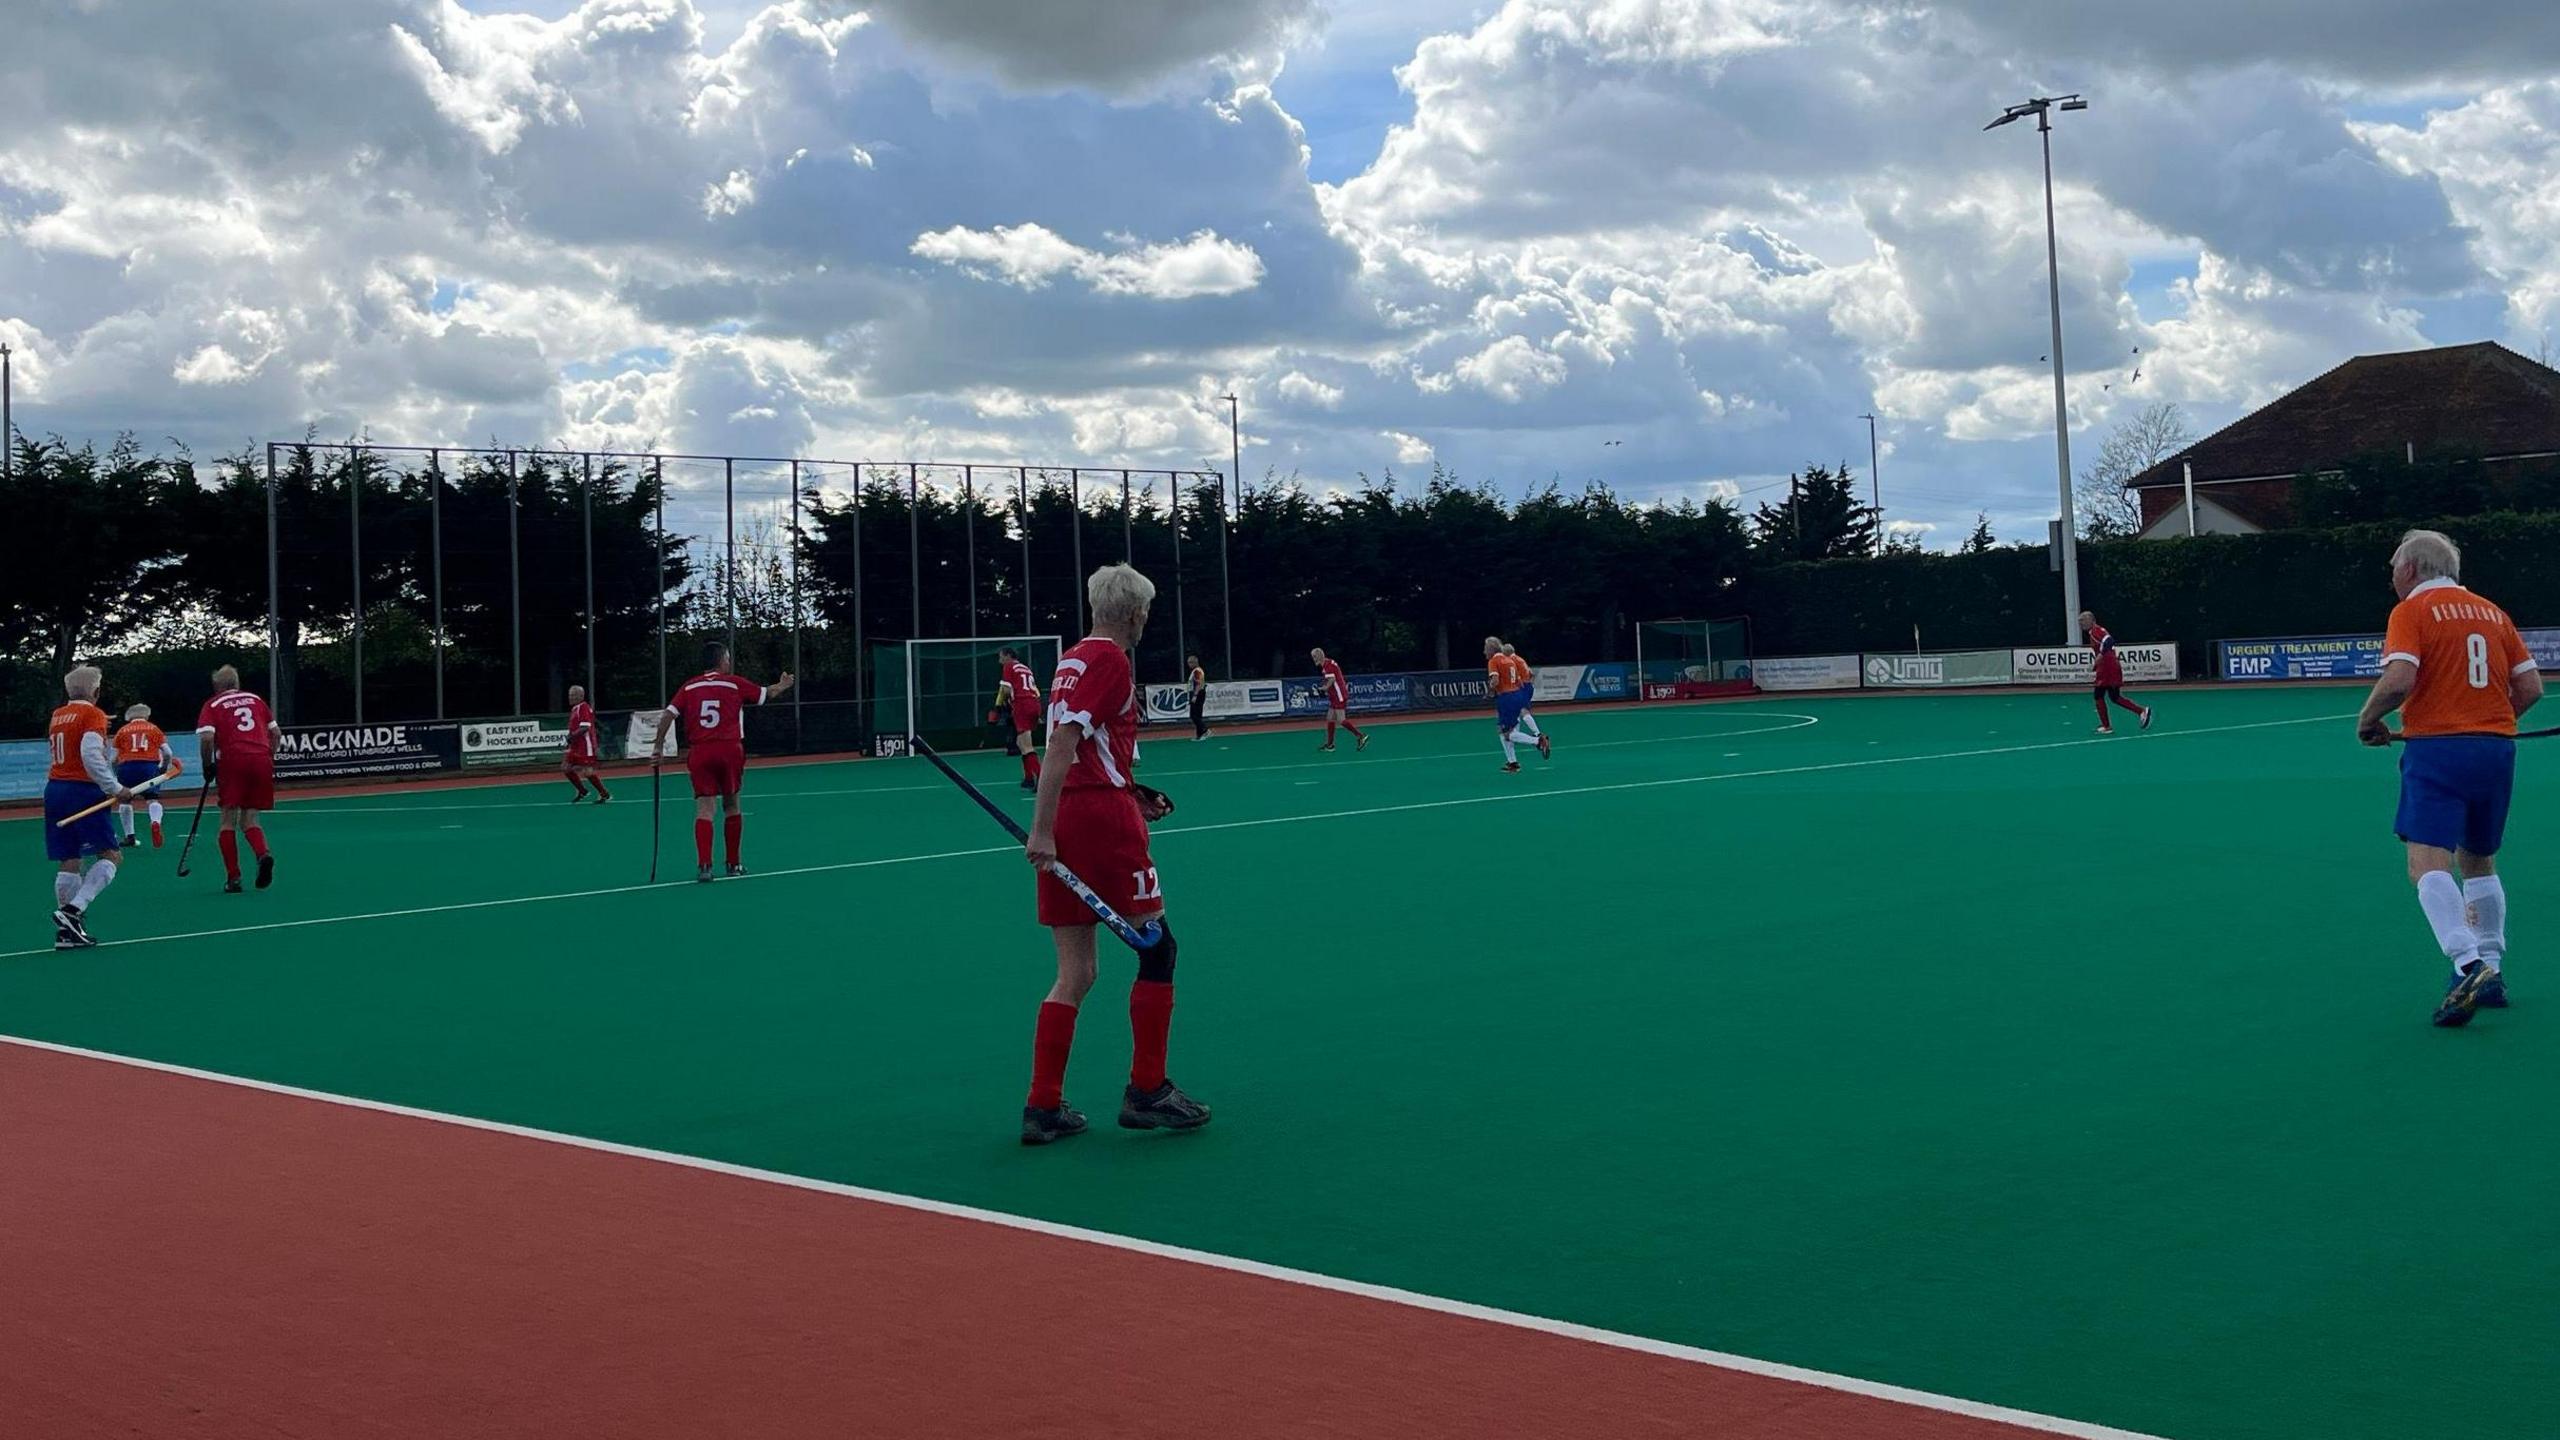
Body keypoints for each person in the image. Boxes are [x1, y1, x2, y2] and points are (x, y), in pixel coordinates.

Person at [1020, 563, 1210, 1145]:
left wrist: (1128, 789)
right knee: (1159, 948)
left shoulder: (1073, 658)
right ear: (1135, 613)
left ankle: (1043, 1106)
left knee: (1076, 972)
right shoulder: (1110, 660)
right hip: (1100, 824)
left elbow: (1083, 748)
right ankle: (1147, 1089)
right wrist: (1042, 829)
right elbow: (1062, 745)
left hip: (1088, 809)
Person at [2355, 529, 2543, 1027]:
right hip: (2497, 750)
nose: (2393, 576)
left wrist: (2368, 720)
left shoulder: (2411, 611)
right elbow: (2531, 687)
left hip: (2437, 751)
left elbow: (2399, 679)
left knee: (2426, 863)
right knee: (2479, 859)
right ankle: (2494, 971)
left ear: (2411, 569)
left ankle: (2466, 964)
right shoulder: (2494, 612)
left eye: (2394, 566)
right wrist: (2489, 723)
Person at [652, 642, 794, 882]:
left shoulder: (689, 686)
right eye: (727, 658)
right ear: (721, 660)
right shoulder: (733, 683)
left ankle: (705, 866)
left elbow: (669, 714)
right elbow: (766, 693)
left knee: (705, 809)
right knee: (732, 805)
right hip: (729, 749)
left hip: (700, 752)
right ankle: (733, 863)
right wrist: (783, 684)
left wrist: (657, 746)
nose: (729, 662)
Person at [45, 667, 141, 949]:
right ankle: (73, 911)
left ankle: (67, 933)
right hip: (83, 791)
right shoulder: (92, 714)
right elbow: (89, 754)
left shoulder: (58, 715)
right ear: (96, 691)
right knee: (112, 856)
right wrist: (115, 788)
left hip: (56, 789)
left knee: (70, 859)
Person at [195, 664, 281, 894]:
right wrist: (268, 756)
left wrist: (207, 766)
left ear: (217, 686)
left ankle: (234, 877)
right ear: (237, 683)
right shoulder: (256, 699)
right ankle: (263, 854)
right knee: (251, 817)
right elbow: (276, 733)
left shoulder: (212, 704)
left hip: (233, 760)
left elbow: (206, 739)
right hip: (261, 759)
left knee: (227, 819)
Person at [111, 703, 182, 848]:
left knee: (125, 801)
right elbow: (167, 752)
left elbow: (113, 758)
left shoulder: (122, 731)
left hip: (126, 767)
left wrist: (116, 773)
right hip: (149, 767)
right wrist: (163, 767)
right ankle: (155, 821)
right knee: (152, 799)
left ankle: (129, 837)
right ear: (147, 715)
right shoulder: (154, 729)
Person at [2080, 611, 2153, 734]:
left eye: (2083, 620)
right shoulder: (2093, 632)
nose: (2081, 623)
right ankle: (2141, 711)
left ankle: (2107, 726)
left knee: (2099, 695)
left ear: (2091, 620)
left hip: (2108, 668)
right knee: (2114, 697)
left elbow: (2109, 640)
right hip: (2108, 667)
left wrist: (2101, 655)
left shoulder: (2096, 631)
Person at [1485, 637, 1549, 771]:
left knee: (1507, 733)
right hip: (1517, 695)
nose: (1484, 652)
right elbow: (1520, 682)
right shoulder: (1510, 660)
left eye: (1486, 648)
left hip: (1506, 698)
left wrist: (1490, 689)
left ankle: (1538, 741)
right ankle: (1512, 763)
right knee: (1506, 730)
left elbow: (1495, 681)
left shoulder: (1494, 661)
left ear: (1491, 649)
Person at [998, 646, 1043, 792]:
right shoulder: (1025, 668)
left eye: (1001, 657)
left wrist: (1001, 704)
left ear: (1008, 656)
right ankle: (1028, 778)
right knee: (1020, 741)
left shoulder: (1009, 666)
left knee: (1026, 744)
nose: (1000, 660)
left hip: (1022, 704)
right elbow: (1035, 690)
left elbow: (1005, 689)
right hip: (1034, 704)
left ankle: (1041, 778)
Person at [1310, 646, 1369, 752]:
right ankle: (1330, 745)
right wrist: (1323, 689)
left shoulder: (1328, 665)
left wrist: (1324, 688)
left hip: (1339, 695)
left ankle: (1361, 736)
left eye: (1314, 657)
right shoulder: (1327, 665)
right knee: (1330, 718)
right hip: (1334, 696)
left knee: (1341, 719)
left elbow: (1332, 680)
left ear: (1319, 656)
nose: (1313, 659)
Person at [1501, 641, 1549, 759]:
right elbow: (1531, 673)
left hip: (1520, 688)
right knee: (1520, 713)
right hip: (1528, 687)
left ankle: (1538, 737)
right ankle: (1513, 759)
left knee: (1521, 713)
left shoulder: (1510, 662)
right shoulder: (1520, 659)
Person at [563, 685, 610, 803]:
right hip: (575, 745)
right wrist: (569, 741)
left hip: (585, 745)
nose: (570, 697)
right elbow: (574, 727)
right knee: (566, 768)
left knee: (587, 772)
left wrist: (571, 736)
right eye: (569, 695)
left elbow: (585, 727)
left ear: (581, 696)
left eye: (573, 695)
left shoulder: (583, 707)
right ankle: (582, 791)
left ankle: (604, 794)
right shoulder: (575, 709)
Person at [1186, 654, 1210, 741]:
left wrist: (1195, 695)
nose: (1188, 664)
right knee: (1198, 715)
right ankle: (1199, 735)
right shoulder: (1195, 671)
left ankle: (1205, 729)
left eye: (1189, 662)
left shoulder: (1197, 671)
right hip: (1198, 693)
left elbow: (1199, 684)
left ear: (1194, 662)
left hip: (1198, 694)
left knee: (1193, 715)